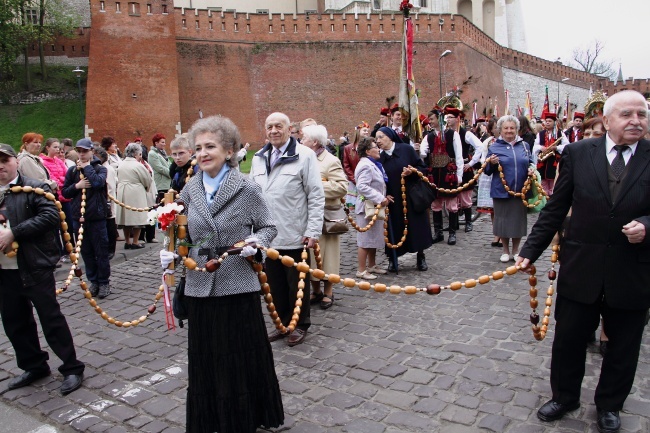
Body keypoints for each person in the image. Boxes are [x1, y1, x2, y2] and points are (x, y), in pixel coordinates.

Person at [516, 90, 650, 433]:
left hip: (632, 269)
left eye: (642, 114)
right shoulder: (577, 153)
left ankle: (609, 404)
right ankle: (564, 396)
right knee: (570, 338)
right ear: (607, 120)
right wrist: (529, 251)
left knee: (623, 344)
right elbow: (555, 209)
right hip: (582, 265)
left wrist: (647, 226)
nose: (636, 120)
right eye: (627, 114)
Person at [169, 116, 283, 433]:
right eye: (199, 148)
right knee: (207, 358)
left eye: (211, 147)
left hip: (237, 285)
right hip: (200, 286)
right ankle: (213, 420)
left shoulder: (246, 188)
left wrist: (255, 244)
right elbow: (182, 232)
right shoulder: (189, 189)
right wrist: (172, 248)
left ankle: (246, 419)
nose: (203, 153)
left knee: (240, 356)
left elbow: (268, 227)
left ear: (229, 149)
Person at [0, 143, 85, 396]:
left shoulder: (36, 187)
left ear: (16, 161)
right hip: (4, 271)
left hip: (34, 265)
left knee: (50, 318)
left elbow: (49, 217)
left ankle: (72, 367)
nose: (0, 166)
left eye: (4, 160)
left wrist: (14, 232)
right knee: (14, 322)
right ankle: (34, 365)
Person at [250, 112, 324, 347]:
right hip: (267, 236)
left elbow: (315, 194)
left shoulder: (305, 156)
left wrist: (312, 230)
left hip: (295, 232)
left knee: (296, 285)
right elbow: (251, 195)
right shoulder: (258, 158)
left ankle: (299, 325)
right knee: (274, 286)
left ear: (289, 128)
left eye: (278, 126)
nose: (274, 131)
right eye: (269, 127)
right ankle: (282, 324)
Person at [301, 124, 347, 310]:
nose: (301, 141)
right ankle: (316, 290)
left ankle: (328, 291)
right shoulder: (303, 159)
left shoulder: (330, 160)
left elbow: (342, 187)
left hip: (327, 216)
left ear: (314, 142)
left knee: (328, 256)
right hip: (307, 216)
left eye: (304, 138)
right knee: (311, 255)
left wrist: (315, 186)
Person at [377, 126, 432, 271]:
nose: (378, 141)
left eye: (381, 137)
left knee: (417, 226)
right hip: (393, 199)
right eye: (376, 138)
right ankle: (392, 258)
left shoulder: (406, 149)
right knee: (394, 228)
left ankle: (421, 256)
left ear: (390, 136)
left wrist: (412, 171)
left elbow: (422, 167)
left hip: (411, 195)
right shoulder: (381, 158)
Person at [62, 138, 111, 298]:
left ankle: (104, 282)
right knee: (86, 252)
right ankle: (94, 281)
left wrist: (87, 168)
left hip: (97, 216)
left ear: (91, 152)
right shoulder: (72, 172)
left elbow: (97, 183)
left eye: (85, 151)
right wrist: (77, 186)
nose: (82, 154)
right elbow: (65, 192)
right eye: (80, 151)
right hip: (79, 217)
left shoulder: (99, 169)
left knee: (101, 251)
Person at [484, 115, 534, 263]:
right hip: (501, 190)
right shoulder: (494, 147)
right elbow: (486, 170)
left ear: (517, 129)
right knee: (503, 221)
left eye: (512, 128)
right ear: (500, 130)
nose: (509, 131)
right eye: (506, 128)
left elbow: (531, 162)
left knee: (518, 221)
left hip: (521, 190)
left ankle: (516, 250)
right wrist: (491, 163)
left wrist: (532, 169)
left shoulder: (524, 145)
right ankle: (505, 250)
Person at [421, 107, 463, 245]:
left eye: (432, 119)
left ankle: (452, 233)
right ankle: (438, 233)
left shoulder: (452, 134)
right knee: (436, 204)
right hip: (434, 174)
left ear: (439, 118)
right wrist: (416, 149)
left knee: (451, 204)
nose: (430, 121)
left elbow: (458, 156)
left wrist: (460, 175)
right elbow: (422, 153)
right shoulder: (429, 136)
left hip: (449, 173)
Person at [354, 137, 390, 279]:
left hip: (374, 206)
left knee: (373, 237)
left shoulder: (372, 164)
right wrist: (380, 198)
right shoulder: (366, 165)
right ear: (368, 151)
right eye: (375, 146)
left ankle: (372, 265)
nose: (378, 148)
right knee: (365, 239)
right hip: (366, 207)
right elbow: (362, 186)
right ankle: (361, 270)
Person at [447, 108, 483, 232]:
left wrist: (471, 163)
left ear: (457, 119)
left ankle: (468, 222)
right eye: (447, 117)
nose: (448, 119)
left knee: (465, 198)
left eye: (450, 117)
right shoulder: (446, 133)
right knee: (452, 197)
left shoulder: (466, 134)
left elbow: (480, 146)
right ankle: (454, 223)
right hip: (450, 168)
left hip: (464, 167)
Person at [468, 118, 502, 247]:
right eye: (495, 127)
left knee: (500, 207)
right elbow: (483, 157)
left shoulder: (505, 142)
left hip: (500, 175)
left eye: (499, 127)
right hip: (489, 175)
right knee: (492, 208)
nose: (497, 129)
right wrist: (487, 163)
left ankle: (501, 233)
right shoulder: (488, 141)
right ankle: (496, 233)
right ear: (491, 129)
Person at [40, 138, 73, 264]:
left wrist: (62, 181)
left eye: (58, 147)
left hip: (65, 197)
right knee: (56, 226)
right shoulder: (43, 162)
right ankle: (58, 252)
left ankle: (69, 249)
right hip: (53, 198)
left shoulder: (59, 161)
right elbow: (50, 179)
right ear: (47, 148)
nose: (58, 150)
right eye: (54, 147)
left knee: (68, 225)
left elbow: (68, 176)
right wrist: (61, 181)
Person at [115, 143, 152, 249]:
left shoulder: (121, 164)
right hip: (135, 192)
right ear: (136, 154)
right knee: (137, 217)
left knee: (125, 218)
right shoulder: (138, 165)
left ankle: (127, 241)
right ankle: (135, 241)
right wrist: (146, 188)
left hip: (123, 191)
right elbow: (146, 179)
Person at [533, 111, 570, 195]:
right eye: (546, 121)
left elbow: (567, 146)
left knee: (554, 181)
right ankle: (544, 199)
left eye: (550, 121)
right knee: (543, 182)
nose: (547, 123)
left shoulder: (560, 133)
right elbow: (535, 146)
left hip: (554, 161)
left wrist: (556, 147)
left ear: (554, 123)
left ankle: (553, 197)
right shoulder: (541, 134)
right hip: (543, 161)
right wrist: (541, 148)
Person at [93, 145, 118, 260]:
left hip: (107, 200)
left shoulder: (107, 169)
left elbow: (110, 187)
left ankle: (110, 249)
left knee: (110, 224)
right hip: (100, 201)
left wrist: (107, 200)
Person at [342, 122, 369, 210]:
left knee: (367, 204)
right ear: (358, 131)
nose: (366, 132)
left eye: (367, 131)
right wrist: (354, 179)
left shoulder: (370, 147)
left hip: (367, 180)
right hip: (354, 181)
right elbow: (346, 165)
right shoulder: (348, 148)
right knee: (354, 207)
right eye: (364, 130)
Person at [148, 133, 171, 204]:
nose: (164, 144)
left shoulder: (163, 153)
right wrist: (171, 173)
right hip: (160, 185)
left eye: (164, 142)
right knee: (161, 206)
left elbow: (169, 164)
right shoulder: (152, 154)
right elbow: (159, 168)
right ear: (156, 143)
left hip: (167, 184)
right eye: (162, 142)